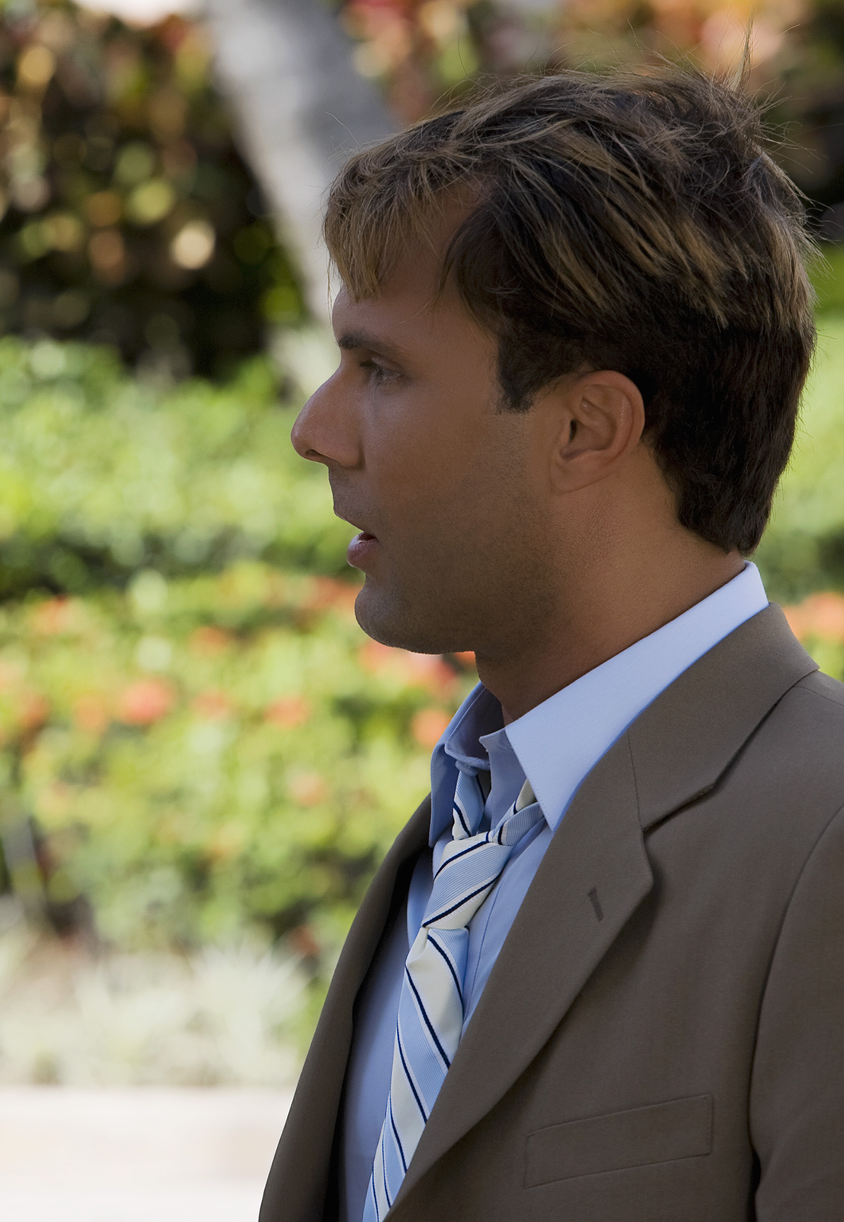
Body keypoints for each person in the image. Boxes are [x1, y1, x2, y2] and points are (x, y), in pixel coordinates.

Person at [267, 67, 844, 1220]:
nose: (314, 429)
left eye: (379, 368)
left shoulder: (819, 842)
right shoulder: (468, 819)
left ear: (586, 427)